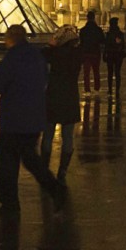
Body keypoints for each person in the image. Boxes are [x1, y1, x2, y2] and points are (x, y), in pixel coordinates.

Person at [0, 25, 64, 218]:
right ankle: (53, 188)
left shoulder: (12, 57)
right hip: (35, 117)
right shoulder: (37, 56)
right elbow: (45, 79)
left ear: (11, 38)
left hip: (14, 119)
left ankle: (12, 204)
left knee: (6, 162)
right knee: (29, 158)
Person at [42, 24, 81, 184]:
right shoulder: (77, 55)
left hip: (53, 96)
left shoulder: (52, 53)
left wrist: (51, 45)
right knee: (68, 136)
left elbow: (42, 55)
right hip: (70, 98)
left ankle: (44, 168)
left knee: (48, 135)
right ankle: (63, 170)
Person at [79, 10, 106, 94]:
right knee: (96, 71)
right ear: (94, 18)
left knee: (86, 73)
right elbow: (102, 41)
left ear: (87, 18)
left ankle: (87, 90)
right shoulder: (98, 30)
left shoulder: (83, 30)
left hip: (86, 53)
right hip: (95, 52)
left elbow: (81, 42)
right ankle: (97, 88)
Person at [103, 16, 126, 98]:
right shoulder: (120, 34)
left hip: (110, 54)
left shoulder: (109, 34)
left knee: (110, 73)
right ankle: (117, 89)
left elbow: (106, 46)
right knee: (117, 72)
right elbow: (123, 44)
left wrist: (104, 54)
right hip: (118, 55)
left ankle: (110, 89)